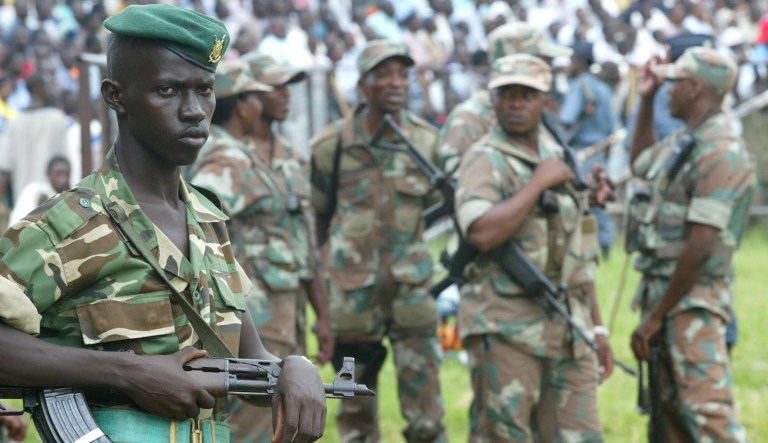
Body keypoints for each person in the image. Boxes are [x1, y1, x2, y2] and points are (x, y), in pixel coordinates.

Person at [0, 5, 326, 443]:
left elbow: (246, 358)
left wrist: (293, 368)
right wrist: (127, 373)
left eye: (204, 90)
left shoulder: (209, 225)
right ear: (116, 96)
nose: (194, 111)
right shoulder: (68, 225)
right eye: (168, 90)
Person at [455, 54, 614, 442]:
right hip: (506, 330)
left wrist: (596, 326)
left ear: (547, 102)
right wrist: (537, 185)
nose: (515, 104)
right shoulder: (483, 158)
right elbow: (481, 233)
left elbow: (580, 255)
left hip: (567, 330)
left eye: (527, 95)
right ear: (493, 100)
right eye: (506, 94)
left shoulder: (558, 157)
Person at [187, 53, 332, 443]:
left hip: (286, 315)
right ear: (243, 102)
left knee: (285, 419)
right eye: (271, 90)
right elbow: (201, 234)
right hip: (250, 320)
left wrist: (322, 312)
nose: (283, 96)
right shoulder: (222, 160)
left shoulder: (283, 157)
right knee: (254, 425)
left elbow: (304, 242)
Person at [310, 39, 445, 443]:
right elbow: (318, 220)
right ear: (362, 86)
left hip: (411, 294)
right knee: (355, 415)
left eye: (402, 74)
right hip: (352, 299)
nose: (396, 83)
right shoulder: (332, 146)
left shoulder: (425, 143)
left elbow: (438, 205)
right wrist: (321, 299)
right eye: (383, 74)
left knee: (426, 417)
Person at [627, 46, 753, 442]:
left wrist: (656, 316)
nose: (667, 88)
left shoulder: (720, 151)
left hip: (691, 303)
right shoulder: (689, 140)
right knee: (669, 416)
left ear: (695, 88)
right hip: (667, 297)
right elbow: (642, 161)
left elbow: (701, 244)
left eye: (673, 81)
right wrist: (645, 98)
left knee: (708, 415)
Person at [436, 22, 573, 176]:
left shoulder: (532, 110)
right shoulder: (470, 117)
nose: (549, 69)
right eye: (541, 62)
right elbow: (459, 184)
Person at [558, 42, 618, 259]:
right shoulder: (602, 88)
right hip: (600, 151)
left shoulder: (579, 86)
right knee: (599, 199)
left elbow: (566, 120)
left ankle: (589, 249)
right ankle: (606, 244)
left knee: (583, 202)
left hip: (581, 153)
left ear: (580, 62)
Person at [8, 154, 70, 225]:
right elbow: (20, 221)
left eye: (66, 174)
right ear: (48, 173)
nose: (63, 179)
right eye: (58, 174)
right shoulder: (34, 190)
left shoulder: (68, 196)